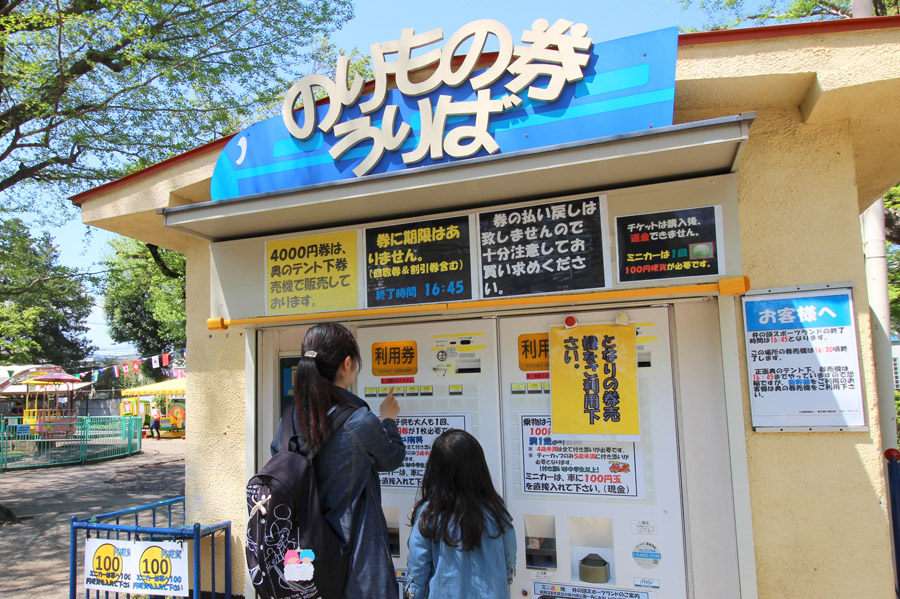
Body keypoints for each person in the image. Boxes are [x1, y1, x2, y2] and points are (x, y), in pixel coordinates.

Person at [271, 322, 405, 599]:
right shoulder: (359, 420)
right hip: (356, 558)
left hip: (302, 555)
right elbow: (391, 458)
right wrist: (389, 420)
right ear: (347, 364)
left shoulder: (289, 418)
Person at [406, 429, 516, 599]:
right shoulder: (496, 512)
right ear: (479, 468)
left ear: (435, 468)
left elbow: (418, 572)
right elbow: (508, 564)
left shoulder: (430, 514)